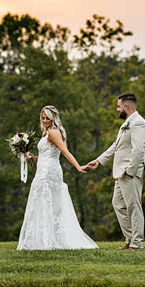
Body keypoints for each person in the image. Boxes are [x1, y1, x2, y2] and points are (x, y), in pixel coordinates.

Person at [17, 106, 98, 251]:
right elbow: (44, 156)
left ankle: (48, 240)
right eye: (43, 117)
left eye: (47, 117)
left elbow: (65, 151)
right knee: (43, 202)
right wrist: (30, 156)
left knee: (48, 202)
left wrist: (78, 167)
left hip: (49, 172)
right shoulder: (45, 133)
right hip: (43, 169)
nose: (45, 120)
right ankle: (44, 239)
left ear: (54, 118)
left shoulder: (54, 132)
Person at [84, 93, 145, 250]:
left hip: (130, 173)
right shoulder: (127, 123)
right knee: (118, 204)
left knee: (133, 206)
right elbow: (116, 145)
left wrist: (130, 171)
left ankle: (136, 243)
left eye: (118, 106)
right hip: (120, 173)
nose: (117, 109)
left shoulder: (138, 123)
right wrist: (99, 160)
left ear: (126, 107)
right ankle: (129, 239)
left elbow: (138, 150)